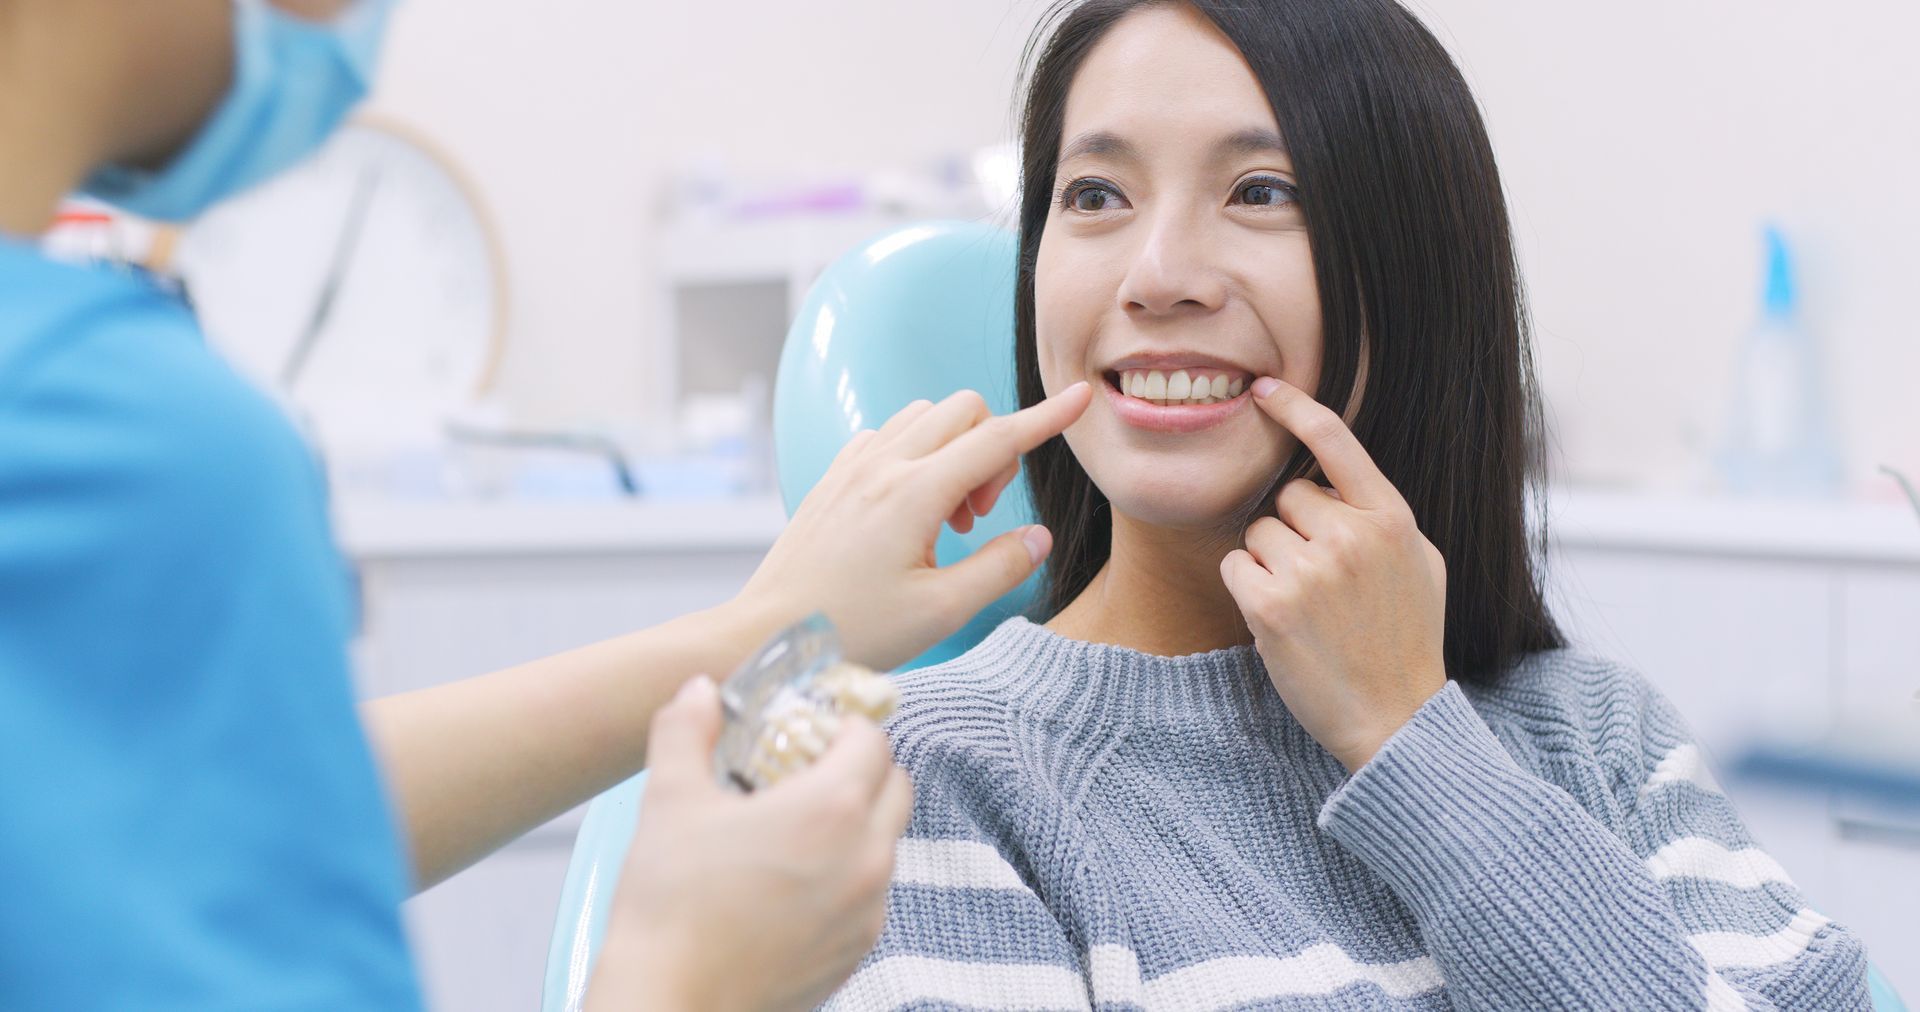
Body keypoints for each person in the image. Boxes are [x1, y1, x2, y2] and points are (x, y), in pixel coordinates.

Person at [0, 0, 1093, 1008]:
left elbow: (227, 805)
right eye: (1095, 195)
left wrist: (763, 631)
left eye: (1260, 190)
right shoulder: (121, 447)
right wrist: (683, 978)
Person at [821, 1, 1874, 1009]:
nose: (1158, 276)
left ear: (1417, 268)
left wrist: (1415, 746)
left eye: (1261, 191)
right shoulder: (926, 778)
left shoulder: (1596, 736)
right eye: (1096, 194)